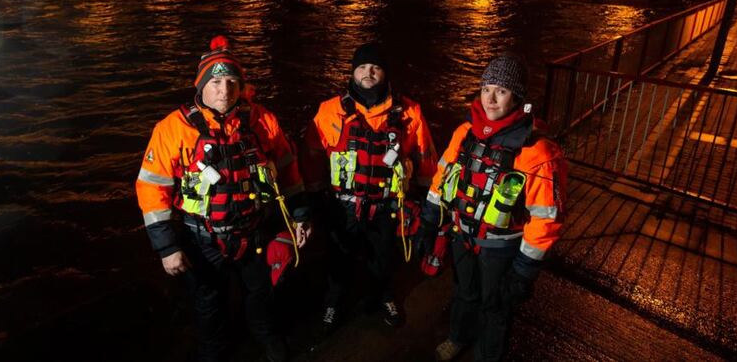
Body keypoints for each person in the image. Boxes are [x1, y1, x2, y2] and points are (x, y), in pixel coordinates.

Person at [135, 36, 311, 362]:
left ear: (242, 86)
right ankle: (212, 354)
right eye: (215, 81)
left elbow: (288, 169)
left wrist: (299, 214)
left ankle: (265, 335)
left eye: (231, 81)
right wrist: (167, 247)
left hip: (253, 230)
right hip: (202, 240)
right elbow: (151, 187)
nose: (224, 90)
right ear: (201, 85)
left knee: (260, 293)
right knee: (208, 303)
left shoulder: (262, 121)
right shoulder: (172, 128)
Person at [418, 54, 567, 362]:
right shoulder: (464, 133)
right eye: (487, 88)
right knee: (463, 293)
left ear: (518, 97)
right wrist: (429, 220)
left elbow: (545, 221)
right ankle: (458, 337)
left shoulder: (538, 152)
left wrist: (523, 271)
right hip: (462, 234)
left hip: (500, 248)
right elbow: (440, 178)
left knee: (496, 307)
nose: (491, 98)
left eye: (502, 90)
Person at [300, 42, 438, 332]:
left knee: (384, 257)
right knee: (338, 258)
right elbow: (312, 155)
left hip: (386, 205)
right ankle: (333, 303)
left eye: (375, 66)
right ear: (353, 72)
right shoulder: (329, 110)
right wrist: (312, 200)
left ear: (385, 73)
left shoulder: (410, 112)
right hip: (342, 205)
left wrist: (429, 202)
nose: (368, 72)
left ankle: (385, 297)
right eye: (362, 66)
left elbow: (425, 156)